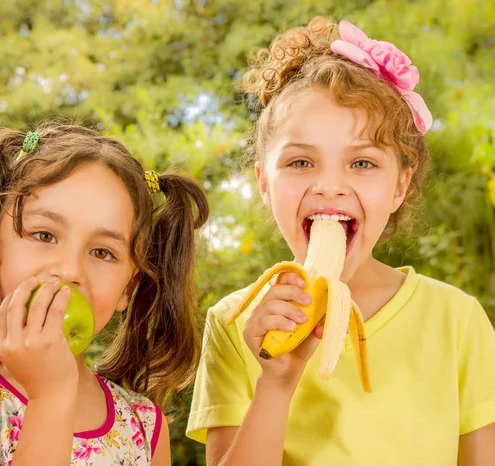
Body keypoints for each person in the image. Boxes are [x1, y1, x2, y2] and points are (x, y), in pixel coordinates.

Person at [186, 16, 495, 465]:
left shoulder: (457, 321)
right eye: (300, 162)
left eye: (363, 163)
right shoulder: (234, 323)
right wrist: (275, 383)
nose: (330, 186)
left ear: (400, 186)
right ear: (264, 184)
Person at [0, 122, 209, 466]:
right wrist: (51, 397)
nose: (70, 270)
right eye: (44, 235)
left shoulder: (144, 424)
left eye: (102, 252)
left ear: (128, 289)